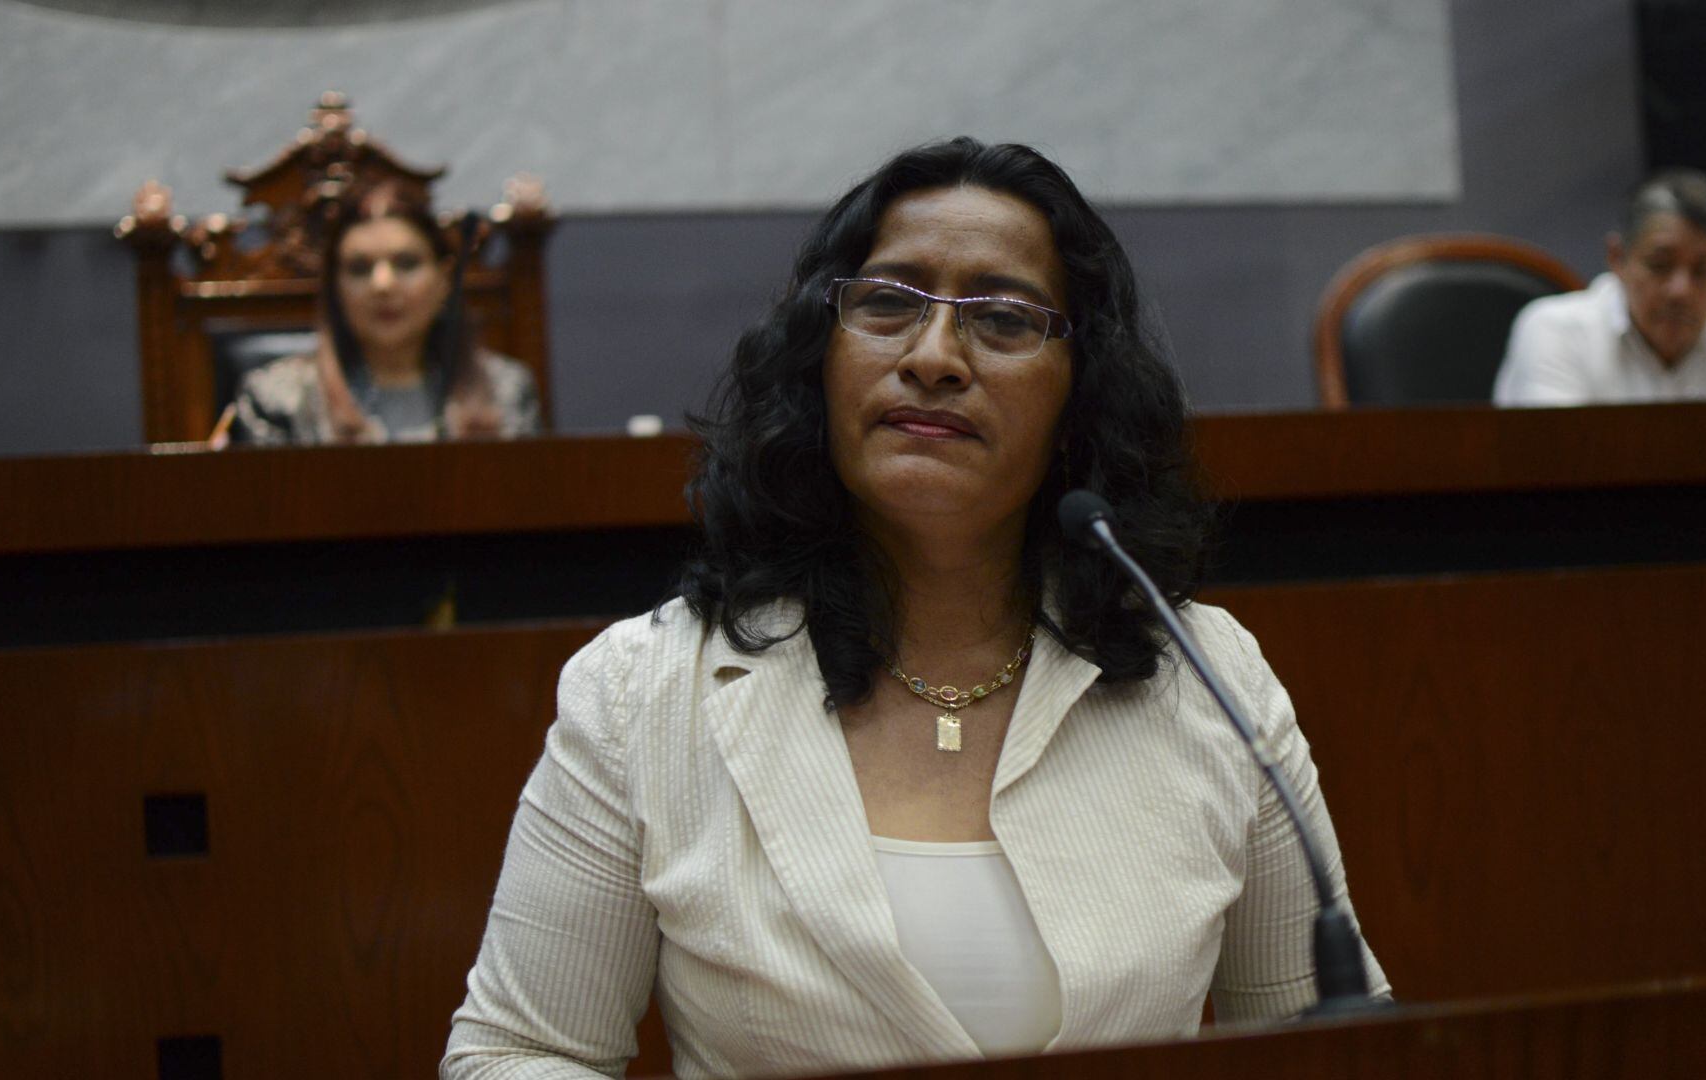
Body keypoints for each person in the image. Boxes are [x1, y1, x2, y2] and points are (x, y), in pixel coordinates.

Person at [444, 138, 1388, 1079]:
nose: (934, 358)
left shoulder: (1207, 677)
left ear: (1081, 390)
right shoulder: (643, 690)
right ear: (820, 357)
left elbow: (1331, 1044)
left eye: (1005, 319)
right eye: (889, 303)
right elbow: (517, 1053)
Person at [230, 181, 541, 444]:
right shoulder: (277, 401)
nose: (382, 285)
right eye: (359, 268)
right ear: (335, 287)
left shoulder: (506, 391)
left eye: (406, 263)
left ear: (444, 280)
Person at [1494, 168, 1706, 405]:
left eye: (1702, 272)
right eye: (1660, 265)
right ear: (1618, 258)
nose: (1680, 290)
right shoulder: (1555, 331)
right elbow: (1554, 452)